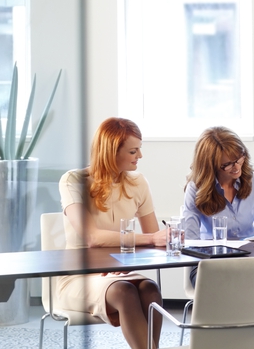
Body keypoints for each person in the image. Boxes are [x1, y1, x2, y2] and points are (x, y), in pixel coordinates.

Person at [58, 117, 168, 349]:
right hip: (80, 276)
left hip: (119, 272)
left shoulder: (138, 182)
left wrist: (136, 256)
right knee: (124, 291)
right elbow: (93, 238)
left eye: (140, 149)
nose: (140, 156)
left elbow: (155, 240)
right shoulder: (73, 181)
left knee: (150, 288)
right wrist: (149, 240)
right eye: (133, 151)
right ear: (111, 152)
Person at [184, 126, 254, 283]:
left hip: (249, 258)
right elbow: (191, 241)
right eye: (227, 164)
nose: (237, 167)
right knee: (224, 281)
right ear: (210, 165)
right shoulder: (196, 188)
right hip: (208, 261)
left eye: (239, 158)